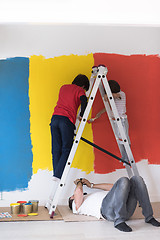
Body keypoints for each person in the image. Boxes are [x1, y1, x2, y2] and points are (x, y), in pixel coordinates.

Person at [68, 177, 160, 232]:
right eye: (73, 195)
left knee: (136, 179)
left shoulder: (90, 195)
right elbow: (79, 191)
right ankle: (119, 221)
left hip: (125, 210)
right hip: (108, 212)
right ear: (72, 198)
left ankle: (149, 217)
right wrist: (79, 182)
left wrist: (92, 185)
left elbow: (114, 187)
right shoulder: (76, 206)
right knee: (123, 180)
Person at [50, 74, 90, 181]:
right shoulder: (79, 90)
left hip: (54, 119)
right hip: (66, 121)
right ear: (83, 85)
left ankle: (56, 174)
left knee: (56, 149)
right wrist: (82, 114)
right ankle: (58, 175)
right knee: (66, 148)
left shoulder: (63, 87)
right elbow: (84, 101)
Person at [88, 80, 130, 165]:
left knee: (124, 139)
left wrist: (106, 95)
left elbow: (114, 96)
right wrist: (98, 114)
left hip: (122, 120)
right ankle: (123, 156)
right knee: (119, 140)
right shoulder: (113, 97)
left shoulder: (121, 94)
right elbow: (108, 107)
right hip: (116, 120)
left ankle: (127, 157)